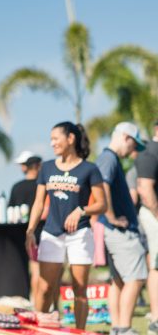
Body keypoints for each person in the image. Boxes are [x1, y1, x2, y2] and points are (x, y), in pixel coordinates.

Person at [26, 122, 107, 330]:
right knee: (44, 288)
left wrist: (81, 210)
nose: (52, 143)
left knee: (79, 289)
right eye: (51, 139)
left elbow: (102, 204)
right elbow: (38, 202)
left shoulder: (89, 169)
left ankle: (79, 332)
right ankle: (38, 329)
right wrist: (30, 230)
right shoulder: (47, 167)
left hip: (79, 234)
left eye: (56, 138)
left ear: (70, 139)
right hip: (51, 234)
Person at [95, 122, 147, 335]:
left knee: (118, 281)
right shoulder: (108, 158)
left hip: (114, 230)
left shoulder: (110, 158)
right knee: (136, 279)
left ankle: (118, 327)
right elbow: (102, 186)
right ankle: (124, 328)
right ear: (126, 137)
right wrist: (112, 217)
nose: (133, 150)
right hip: (120, 232)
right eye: (133, 144)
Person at [9, 151, 44, 305]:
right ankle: (43, 305)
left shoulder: (17, 187)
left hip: (26, 233)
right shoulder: (42, 186)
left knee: (36, 270)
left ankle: (37, 304)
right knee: (44, 272)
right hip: (42, 232)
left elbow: (10, 211)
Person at [135, 121, 158, 335]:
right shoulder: (150, 153)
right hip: (153, 215)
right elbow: (145, 189)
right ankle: (156, 318)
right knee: (156, 265)